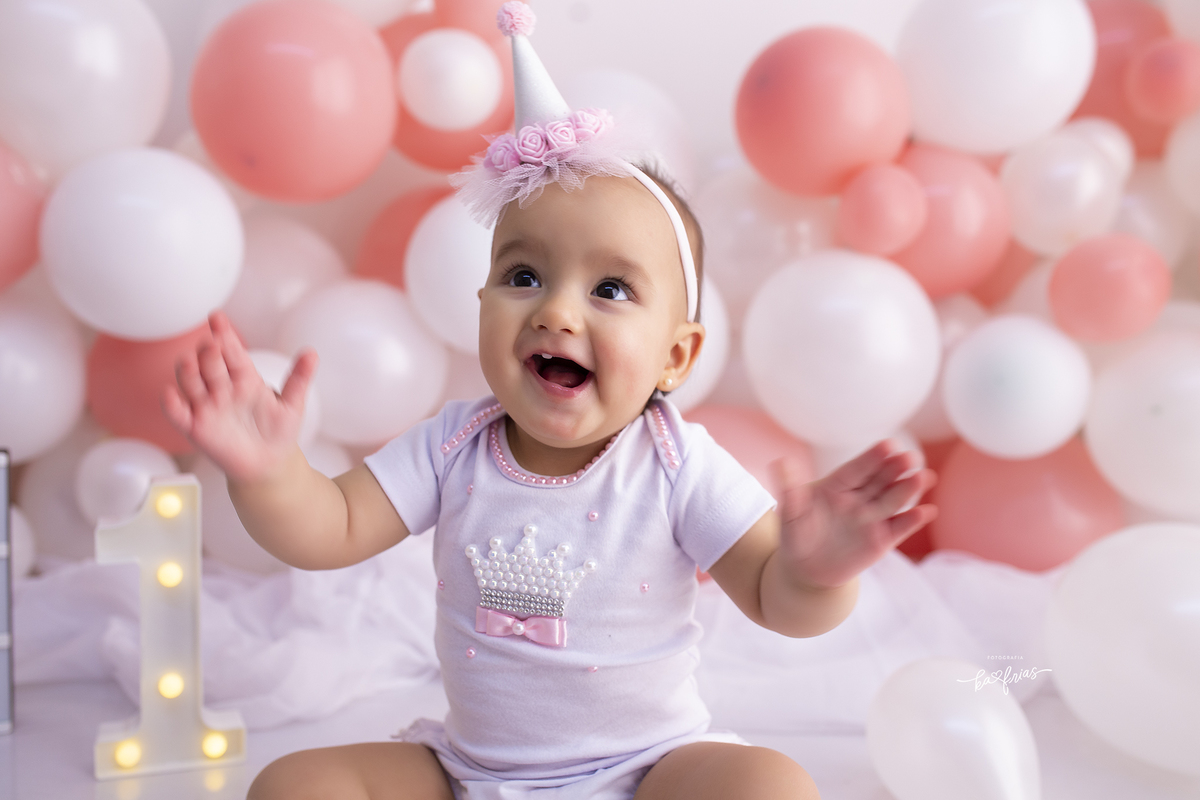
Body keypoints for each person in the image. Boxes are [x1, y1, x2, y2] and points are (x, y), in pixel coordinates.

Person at [163, 5, 938, 798]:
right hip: (472, 774)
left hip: (647, 771)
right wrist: (267, 472)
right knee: (296, 785)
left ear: (677, 356)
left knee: (769, 785)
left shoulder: (676, 465)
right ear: (482, 300)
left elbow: (777, 599)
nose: (556, 312)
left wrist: (815, 573)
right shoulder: (452, 446)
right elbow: (328, 530)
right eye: (523, 276)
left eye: (610, 288)